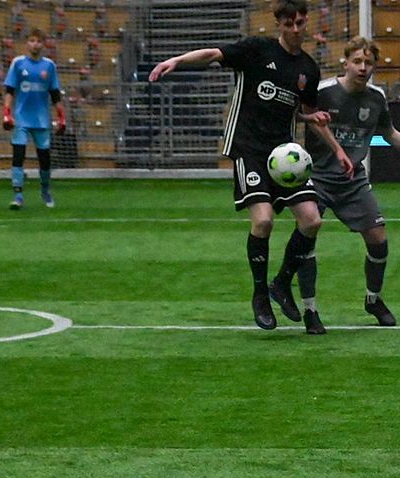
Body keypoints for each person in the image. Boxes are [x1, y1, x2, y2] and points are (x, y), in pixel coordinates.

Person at [148, 0, 351, 330]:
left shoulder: (308, 69)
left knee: (312, 220)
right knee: (264, 221)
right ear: (279, 24)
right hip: (248, 148)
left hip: (284, 154)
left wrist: (337, 149)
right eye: (289, 23)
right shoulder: (257, 50)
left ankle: (281, 283)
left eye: (300, 23)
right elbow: (213, 54)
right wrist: (177, 61)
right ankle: (260, 295)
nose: (296, 29)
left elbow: (306, 113)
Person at [296, 36, 400, 334]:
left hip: (353, 180)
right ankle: (310, 310)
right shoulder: (323, 92)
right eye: (357, 61)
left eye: (368, 62)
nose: (363, 67)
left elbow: (389, 132)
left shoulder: (376, 97)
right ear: (345, 63)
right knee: (307, 236)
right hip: (317, 177)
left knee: (378, 238)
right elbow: (299, 114)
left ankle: (373, 300)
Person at [2, 28, 65, 210]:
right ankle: (18, 196)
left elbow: (55, 94)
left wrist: (61, 117)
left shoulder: (49, 66)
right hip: (21, 119)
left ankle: (45, 190)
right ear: (27, 43)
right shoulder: (18, 63)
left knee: (44, 159)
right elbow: (10, 90)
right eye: (31, 40)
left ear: (43, 44)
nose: (35, 44)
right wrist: (7, 113)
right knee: (18, 155)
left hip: (41, 120)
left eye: (38, 41)